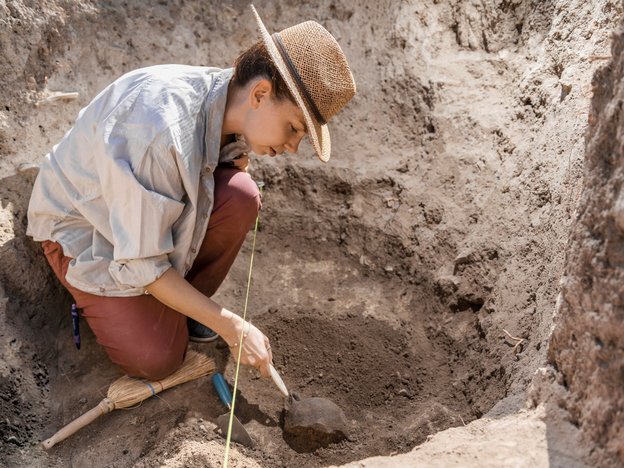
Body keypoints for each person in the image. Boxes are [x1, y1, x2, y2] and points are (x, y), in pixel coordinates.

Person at [27, 5, 356, 381]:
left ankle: (179, 308)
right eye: (294, 128)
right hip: (86, 227)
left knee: (241, 196)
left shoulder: (225, 104)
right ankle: (162, 312)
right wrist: (234, 327)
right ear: (261, 94)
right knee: (157, 359)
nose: (294, 147)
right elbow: (143, 265)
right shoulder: (160, 130)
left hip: (139, 223)